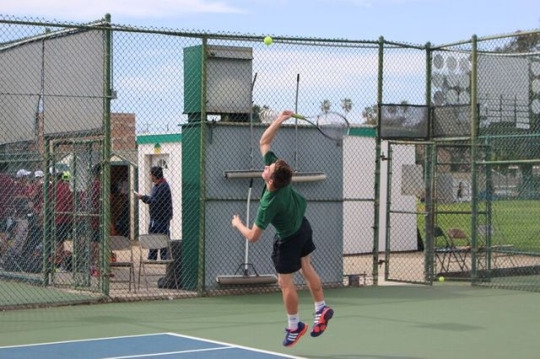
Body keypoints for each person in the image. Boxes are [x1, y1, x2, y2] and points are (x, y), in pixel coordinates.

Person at [231, 110, 334, 347]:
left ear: (270, 178)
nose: (268, 164)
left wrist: (238, 224)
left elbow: (253, 237)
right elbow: (265, 141)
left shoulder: (268, 203)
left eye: (271, 166)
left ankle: (294, 325)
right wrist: (279, 119)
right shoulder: (281, 179)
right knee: (306, 265)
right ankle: (321, 308)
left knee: (285, 282)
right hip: (303, 227)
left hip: (287, 239)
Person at [135, 166, 172, 260]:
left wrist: (143, 197)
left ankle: (164, 258)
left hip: (161, 218)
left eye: (151, 174)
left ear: (155, 175)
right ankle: (152, 257)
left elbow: (155, 201)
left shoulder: (163, 186)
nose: (150, 176)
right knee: (153, 237)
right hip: (155, 217)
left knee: (162, 238)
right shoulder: (157, 186)